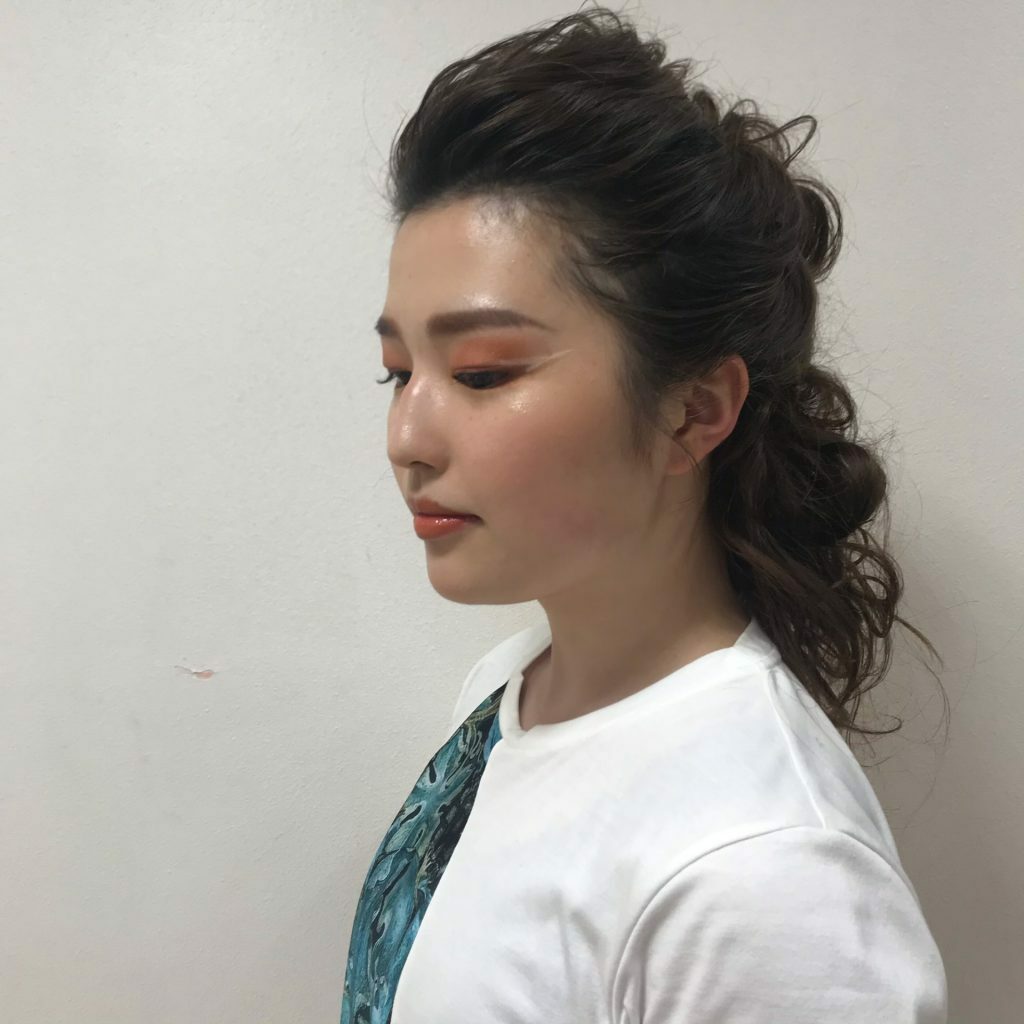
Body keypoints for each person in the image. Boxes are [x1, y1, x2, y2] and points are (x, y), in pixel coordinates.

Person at [340, 7, 949, 1022]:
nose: (408, 437)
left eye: (482, 372)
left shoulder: (764, 878)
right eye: (398, 371)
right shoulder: (508, 690)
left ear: (694, 410)